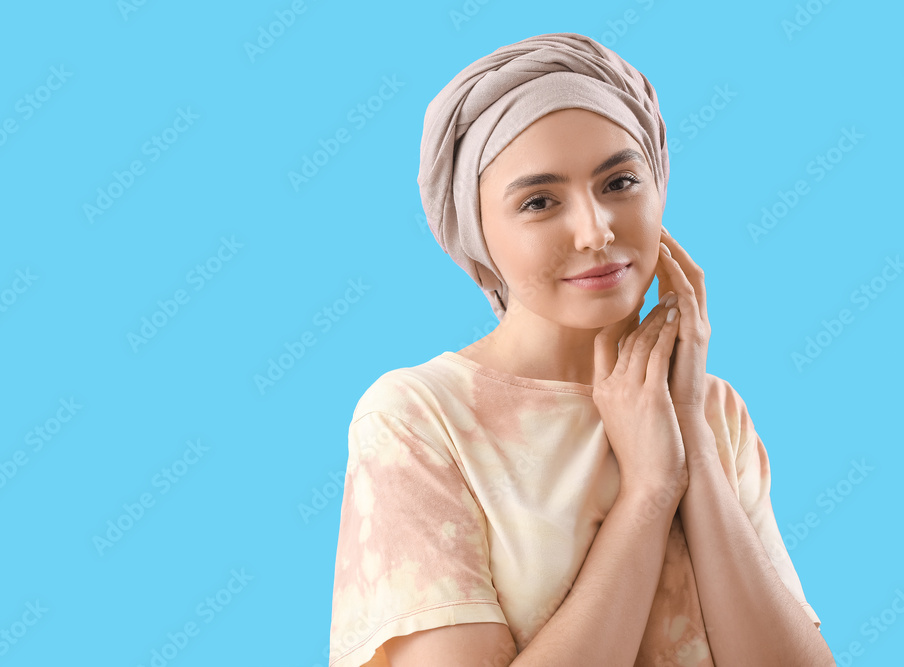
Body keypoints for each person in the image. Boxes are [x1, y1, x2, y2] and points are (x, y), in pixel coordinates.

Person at [328, 33, 834, 666]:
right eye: (539, 201)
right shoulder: (419, 420)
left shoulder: (712, 411)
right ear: (477, 236)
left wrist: (693, 452)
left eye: (619, 181)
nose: (597, 230)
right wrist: (649, 491)